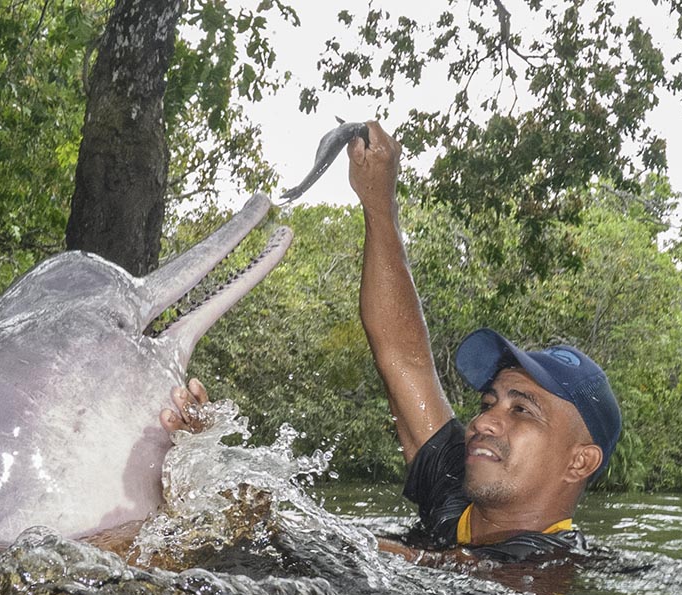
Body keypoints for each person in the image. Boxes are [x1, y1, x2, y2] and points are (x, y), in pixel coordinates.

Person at [164, 122, 622, 564]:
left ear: (579, 461)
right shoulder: (454, 498)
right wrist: (197, 463)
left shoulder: (557, 568)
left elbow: (448, 575)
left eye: (521, 409)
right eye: (489, 403)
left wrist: (262, 523)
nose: (483, 423)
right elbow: (404, 358)